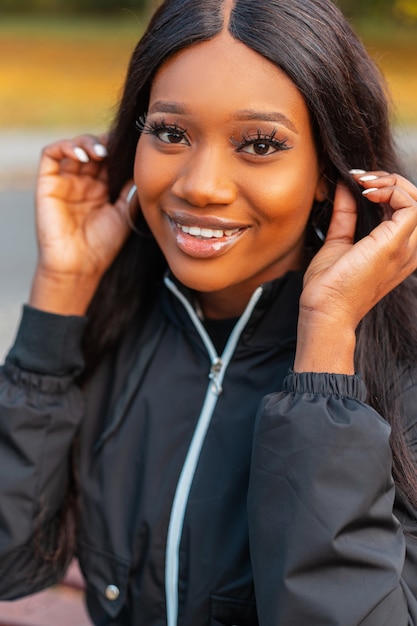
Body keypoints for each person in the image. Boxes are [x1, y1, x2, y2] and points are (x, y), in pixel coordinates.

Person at [1, 0, 417, 624]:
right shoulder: (117, 324)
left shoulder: (401, 377)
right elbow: (13, 562)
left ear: (330, 173)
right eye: (170, 132)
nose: (200, 185)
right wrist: (60, 291)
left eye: (258, 143)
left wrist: (326, 360)